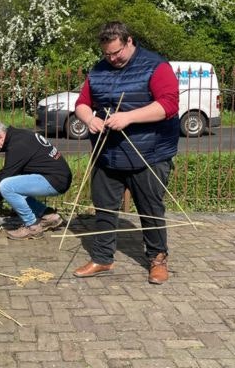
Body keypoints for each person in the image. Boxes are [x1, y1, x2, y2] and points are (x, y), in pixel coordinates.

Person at [73, 21, 179, 284]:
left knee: (150, 209)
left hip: (149, 153)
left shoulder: (156, 66)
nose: (112, 58)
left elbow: (169, 105)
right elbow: (82, 103)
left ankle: (157, 259)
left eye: (116, 52)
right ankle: (102, 258)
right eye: (107, 54)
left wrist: (129, 117)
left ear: (129, 41)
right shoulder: (98, 70)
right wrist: (89, 119)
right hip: (108, 152)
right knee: (104, 209)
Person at [0, 121, 72, 240]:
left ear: (0, 136)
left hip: (56, 181)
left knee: (6, 186)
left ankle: (32, 226)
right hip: (58, 177)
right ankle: (48, 216)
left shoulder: (17, 145)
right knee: (14, 185)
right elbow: (14, 167)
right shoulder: (20, 136)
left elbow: (6, 178)